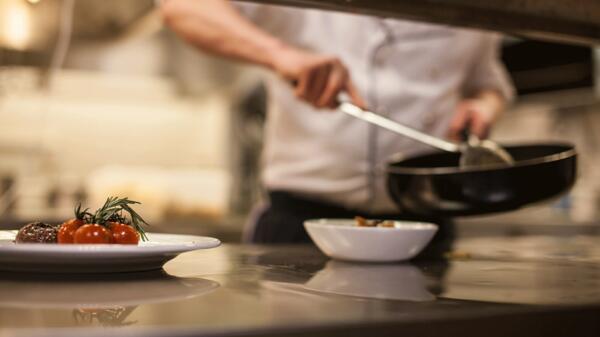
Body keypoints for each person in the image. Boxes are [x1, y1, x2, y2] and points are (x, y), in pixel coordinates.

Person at [160, 0, 514, 245]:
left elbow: (487, 84)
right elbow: (183, 7)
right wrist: (280, 55)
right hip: (301, 224)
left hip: (424, 227)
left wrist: (482, 107)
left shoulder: (475, 8)